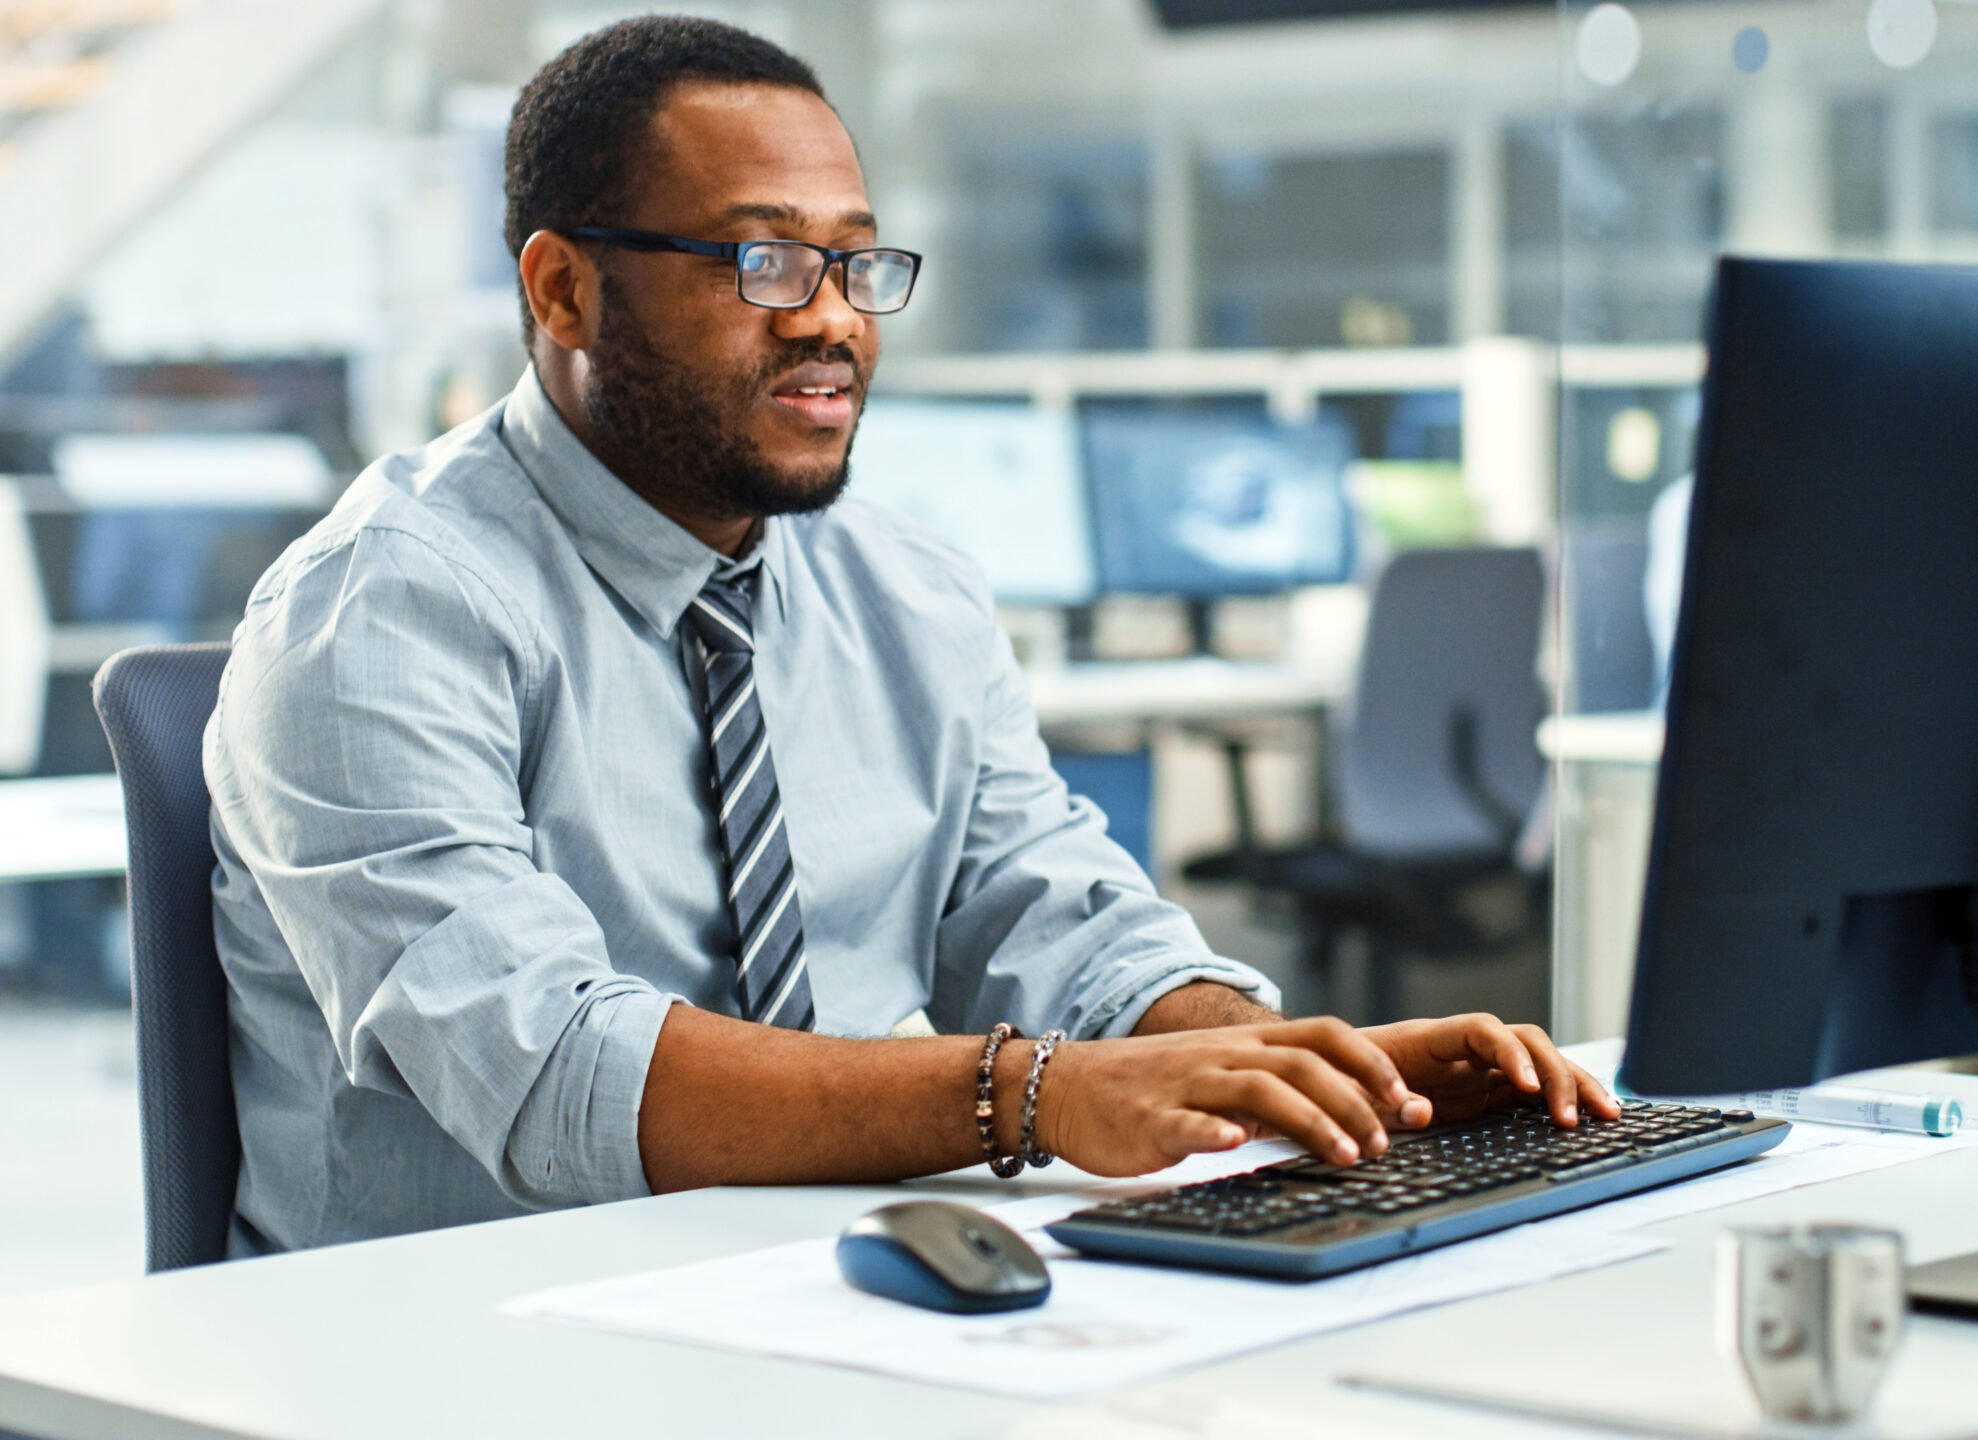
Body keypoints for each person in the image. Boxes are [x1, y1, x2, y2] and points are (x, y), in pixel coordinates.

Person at [205, 15, 1614, 1255]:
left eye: (857, 263)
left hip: (833, 1285)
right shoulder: (379, 612)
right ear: (563, 288)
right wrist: (1032, 1096)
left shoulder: (909, 588)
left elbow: (1050, 913)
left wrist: (1290, 1064)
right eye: (764, 260)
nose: (830, 322)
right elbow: (559, 1074)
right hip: (453, 1351)